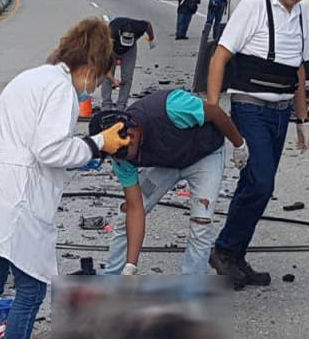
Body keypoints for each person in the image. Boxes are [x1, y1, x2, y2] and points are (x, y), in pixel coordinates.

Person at [0, 18, 131, 339]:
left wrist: (85, 152)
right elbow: (49, 150)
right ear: (91, 65)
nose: (92, 86)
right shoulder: (61, 90)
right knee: (31, 288)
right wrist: (98, 144)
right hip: (16, 196)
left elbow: (36, 143)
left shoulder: (33, 77)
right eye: (97, 77)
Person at [205, 0, 309, 290]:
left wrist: (302, 120)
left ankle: (234, 254)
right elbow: (220, 56)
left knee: (256, 184)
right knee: (261, 182)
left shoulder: (300, 13)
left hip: (280, 112)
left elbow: (297, 69)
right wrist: (213, 109)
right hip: (250, 108)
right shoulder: (255, 4)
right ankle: (225, 250)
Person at [98, 88, 248, 276]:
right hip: (166, 163)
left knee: (201, 224)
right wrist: (131, 265)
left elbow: (215, 112)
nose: (124, 159)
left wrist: (239, 144)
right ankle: (112, 277)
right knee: (126, 215)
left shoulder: (172, 106)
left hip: (204, 155)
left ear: (132, 135)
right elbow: (135, 208)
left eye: (126, 153)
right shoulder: (119, 155)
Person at [100, 16, 155, 110]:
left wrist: (151, 38)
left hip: (130, 51)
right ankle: (106, 105)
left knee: (127, 77)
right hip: (112, 49)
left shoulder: (138, 27)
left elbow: (148, 25)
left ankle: (121, 105)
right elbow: (105, 69)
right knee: (106, 78)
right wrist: (113, 79)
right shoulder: (111, 34)